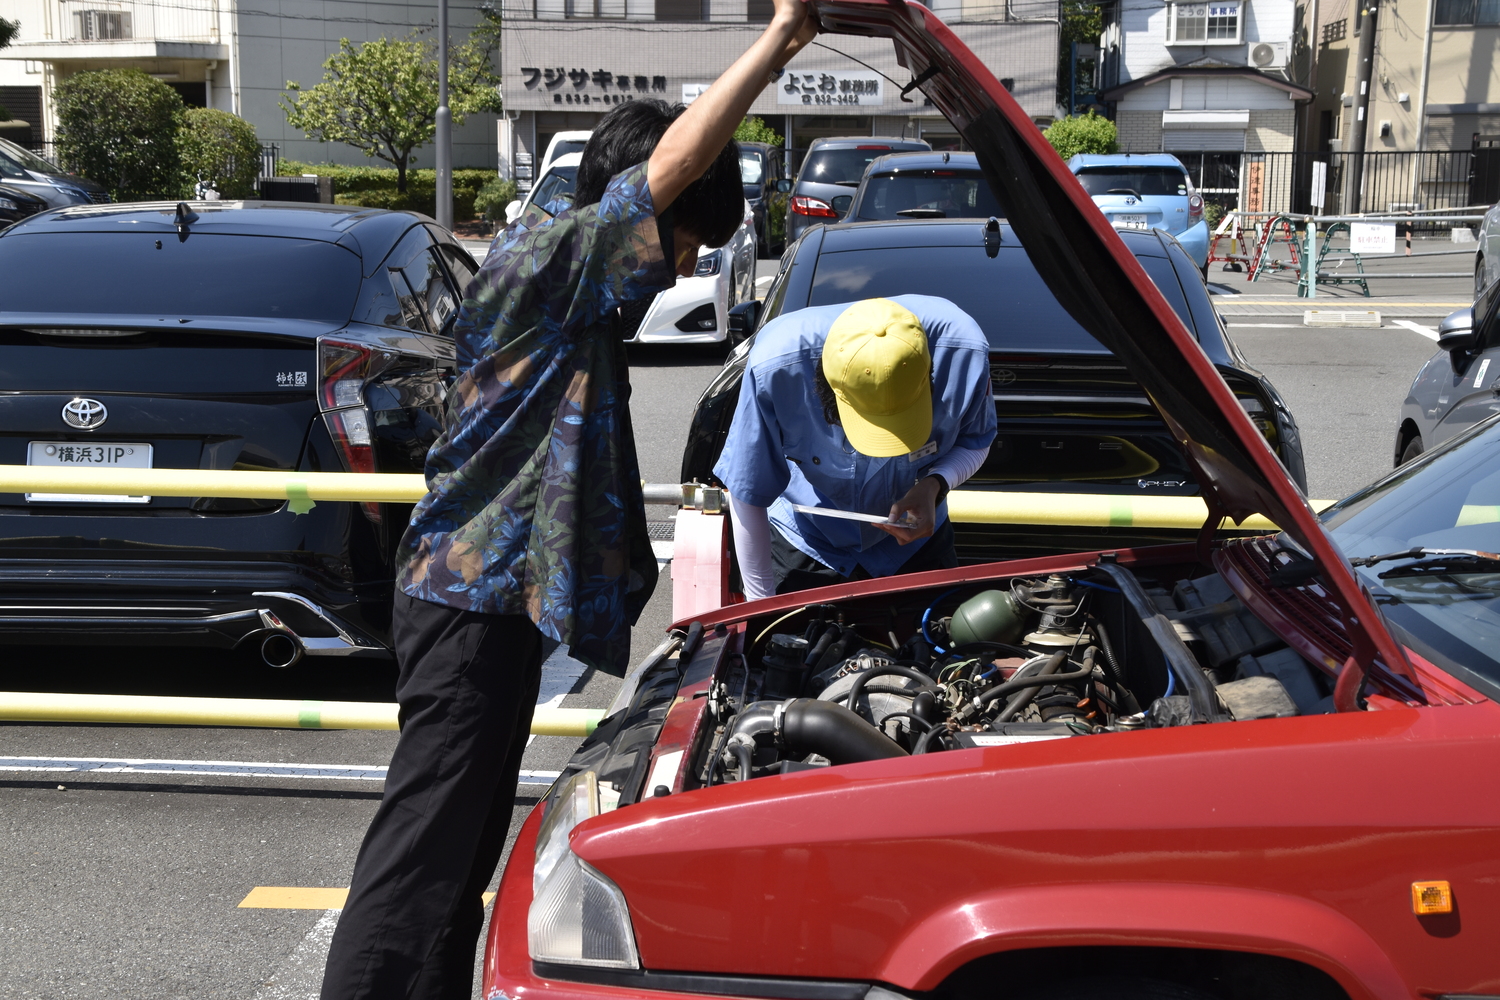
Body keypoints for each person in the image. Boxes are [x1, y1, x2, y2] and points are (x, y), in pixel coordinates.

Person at [319, 3, 818, 997]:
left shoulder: (563, 276)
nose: (680, 269)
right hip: (464, 608)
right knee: (421, 859)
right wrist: (782, 40)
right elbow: (667, 173)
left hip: (482, 606)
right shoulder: (553, 262)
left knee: (454, 863)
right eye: (684, 245)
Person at [714, 296, 996, 599]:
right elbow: (749, 489)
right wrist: (761, 604)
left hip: (917, 545)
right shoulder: (776, 366)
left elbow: (975, 441)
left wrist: (933, 485)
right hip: (807, 541)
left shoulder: (963, 352)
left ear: (930, 375)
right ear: (824, 388)